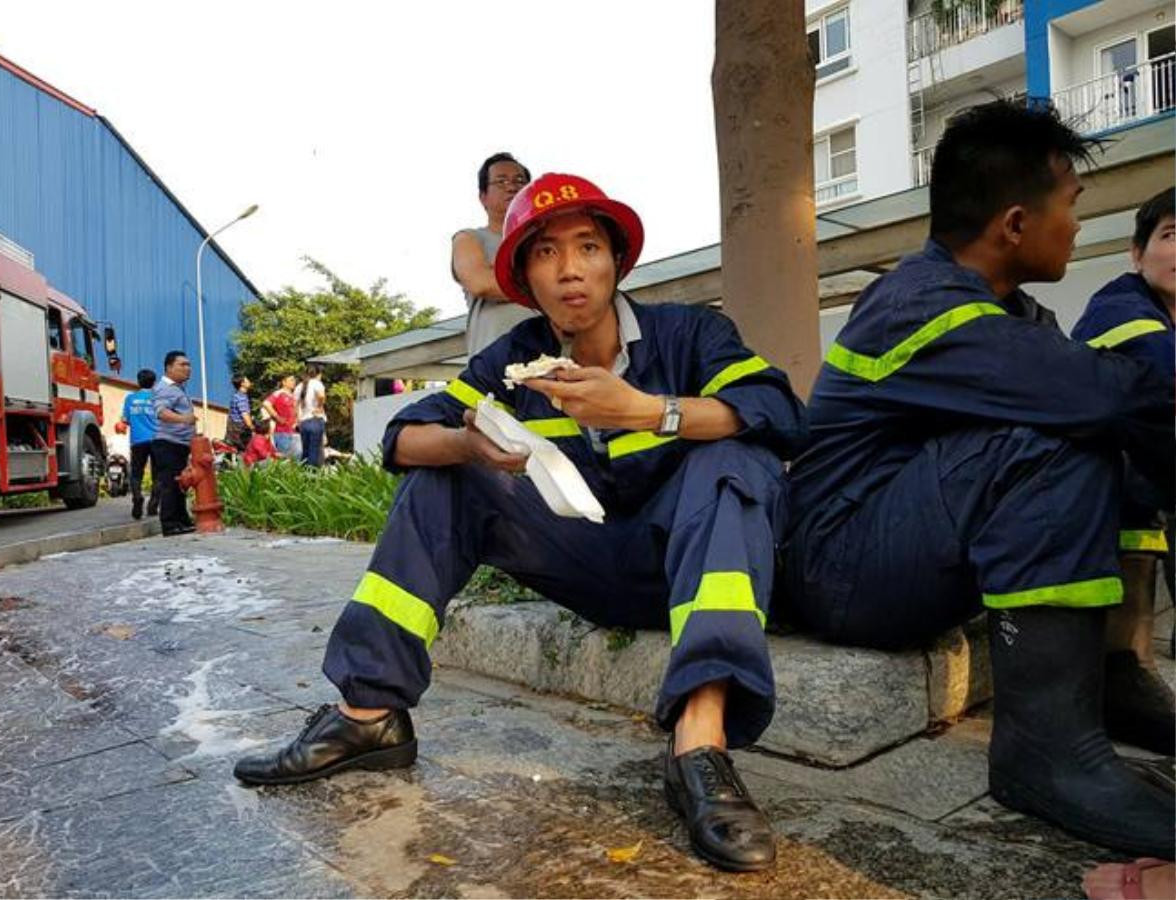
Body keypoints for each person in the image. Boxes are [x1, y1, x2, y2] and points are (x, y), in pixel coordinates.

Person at [234, 172, 809, 873]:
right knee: (446, 474)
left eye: (588, 247)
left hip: (689, 560)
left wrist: (644, 410)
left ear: (616, 263)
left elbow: (776, 412)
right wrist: (471, 443)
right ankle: (369, 714)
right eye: (545, 254)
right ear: (525, 280)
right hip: (584, 564)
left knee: (734, 457)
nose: (569, 269)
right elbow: (406, 437)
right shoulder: (515, 358)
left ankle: (700, 741)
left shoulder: (689, 334)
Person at [782, 100, 1175, 859]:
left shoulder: (1020, 317)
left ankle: (1114, 675)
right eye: (1071, 208)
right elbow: (1103, 394)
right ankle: (1046, 753)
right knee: (1065, 430)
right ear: (1016, 224)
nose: (1078, 228)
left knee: (1107, 431)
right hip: (842, 564)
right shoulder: (914, 303)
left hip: (917, 549)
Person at [1070, 187, 1175, 757]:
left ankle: (1131, 665)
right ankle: (1123, 667)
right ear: (1136, 254)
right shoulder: (1125, 313)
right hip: (1086, 506)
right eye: (1171, 235)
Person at [452, 152, 539, 355]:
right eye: (501, 182)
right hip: (494, 369)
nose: (512, 187)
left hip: (553, 366)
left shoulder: (546, 240)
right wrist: (549, 285)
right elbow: (482, 283)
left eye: (520, 181)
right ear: (483, 197)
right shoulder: (469, 238)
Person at [151, 351, 198, 537]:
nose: (188, 368)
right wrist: (184, 419)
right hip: (168, 443)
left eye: (188, 364)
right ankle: (169, 523)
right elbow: (161, 412)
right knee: (171, 484)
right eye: (182, 365)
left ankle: (182, 519)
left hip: (179, 444)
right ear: (169, 367)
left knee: (180, 484)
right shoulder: (164, 388)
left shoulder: (177, 388)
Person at [118, 368, 161, 520]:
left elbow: (124, 422)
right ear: (154, 382)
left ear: (138, 382)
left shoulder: (130, 399)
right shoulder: (159, 398)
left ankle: (137, 497)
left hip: (138, 441)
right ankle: (153, 505)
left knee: (136, 473)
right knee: (158, 474)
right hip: (157, 439)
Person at [294, 365, 327, 467]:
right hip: (315, 420)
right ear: (318, 374)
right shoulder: (317, 383)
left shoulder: (299, 386)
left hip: (304, 422)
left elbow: (295, 404)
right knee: (315, 452)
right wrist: (320, 406)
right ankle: (312, 477)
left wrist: (298, 418)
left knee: (306, 452)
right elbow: (321, 396)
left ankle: (304, 476)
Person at [263, 375, 299, 459]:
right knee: (284, 459)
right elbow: (266, 403)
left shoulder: (293, 396)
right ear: (284, 382)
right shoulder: (279, 393)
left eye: (294, 380)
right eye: (291, 380)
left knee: (292, 459)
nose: (294, 382)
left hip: (293, 432)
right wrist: (277, 417)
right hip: (282, 432)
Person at [226, 375, 255, 450]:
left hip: (234, 430)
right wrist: (252, 428)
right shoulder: (241, 397)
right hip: (239, 431)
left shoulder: (237, 396)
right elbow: (245, 415)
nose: (249, 382)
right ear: (242, 383)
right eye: (247, 380)